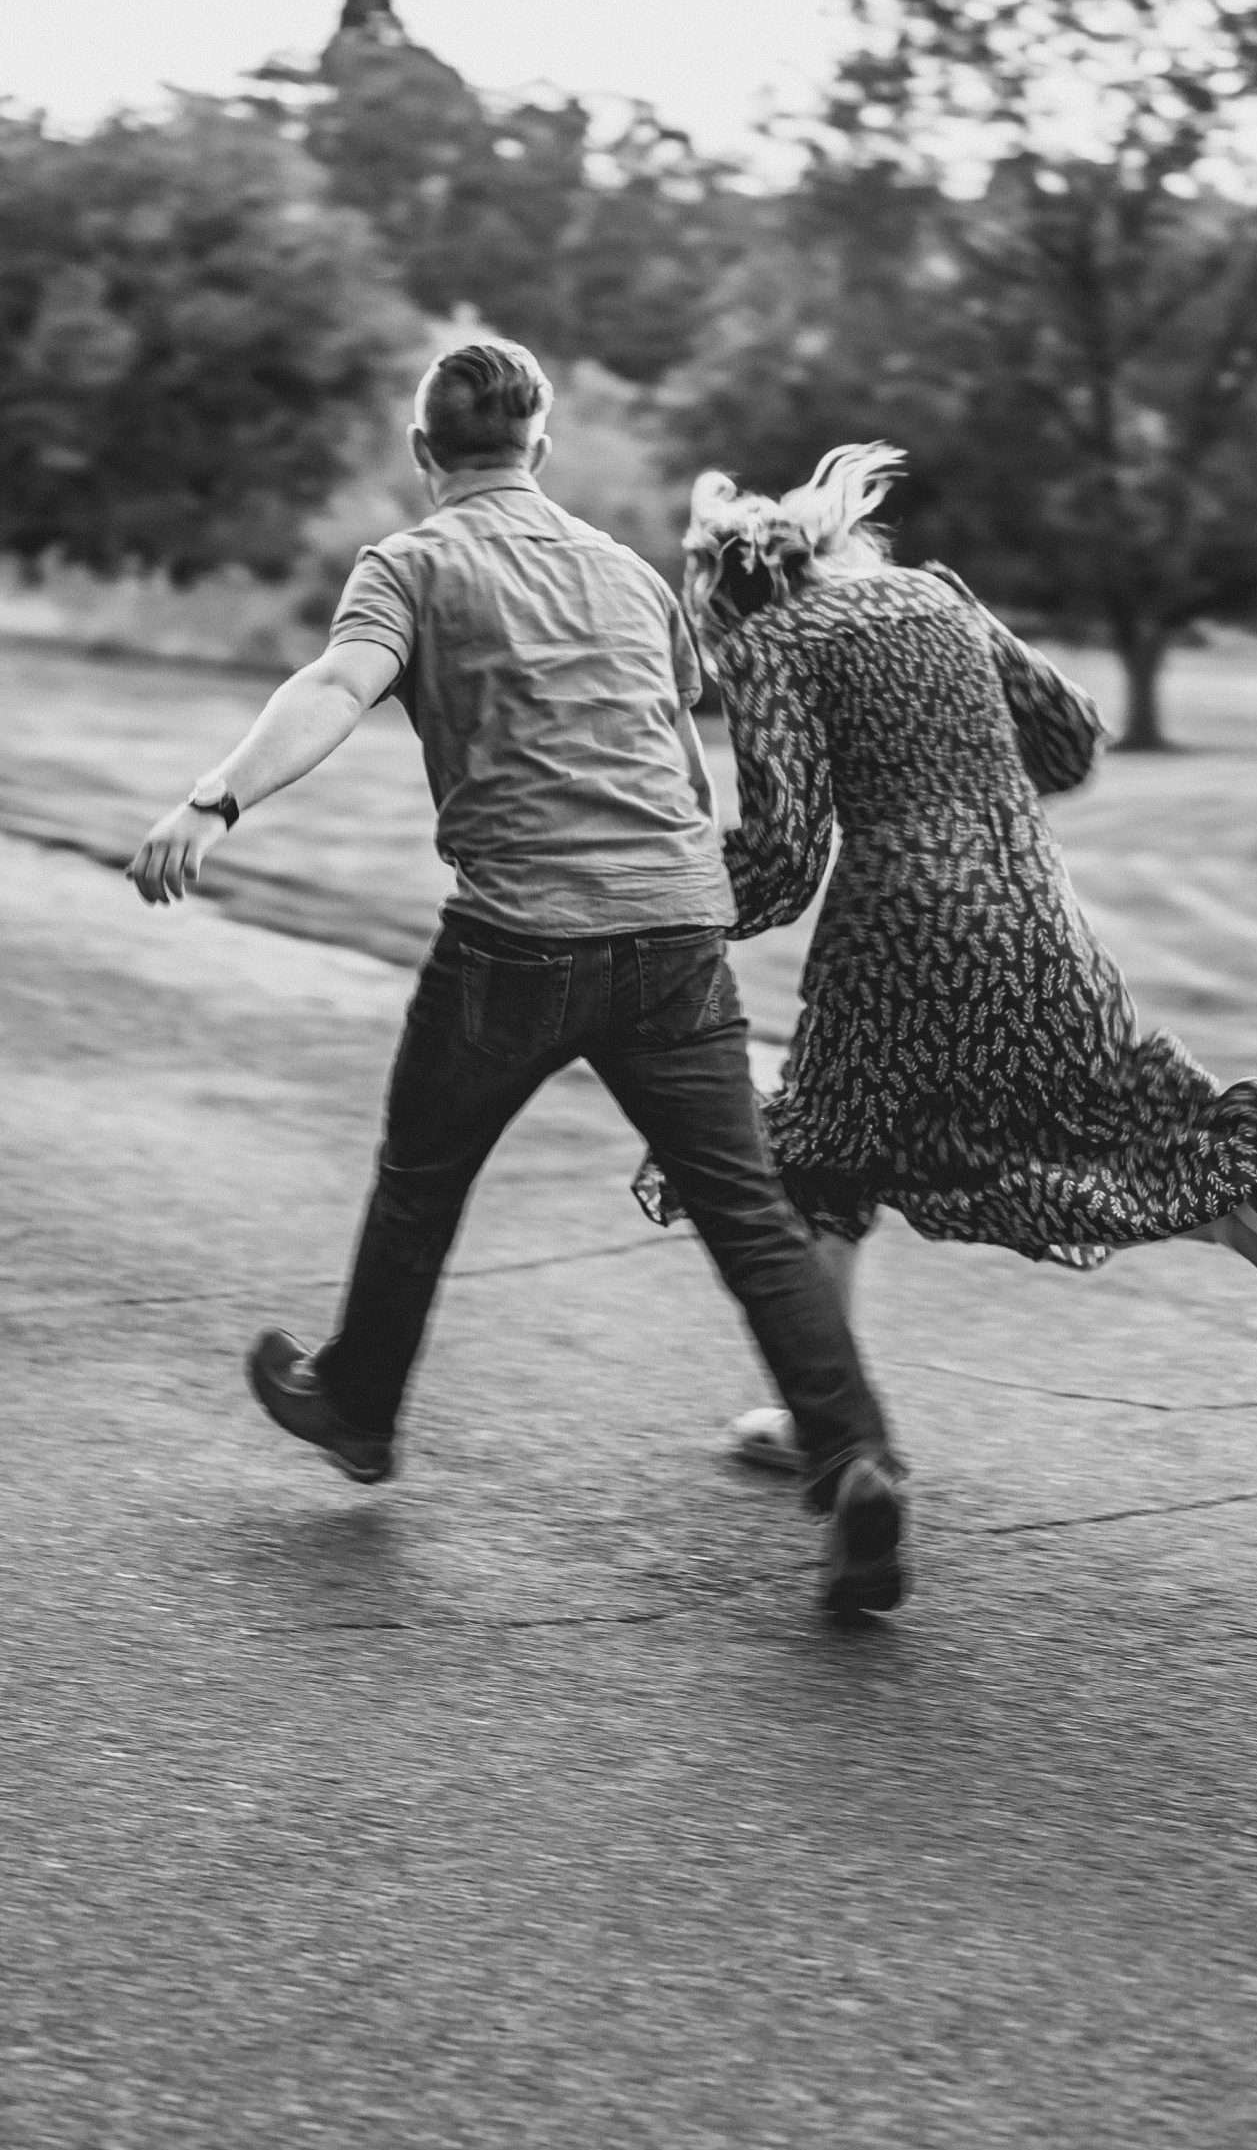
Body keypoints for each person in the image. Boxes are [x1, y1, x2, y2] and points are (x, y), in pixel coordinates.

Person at [127, 342, 906, 1614]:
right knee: (753, 1219)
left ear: (425, 453)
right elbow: (670, 728)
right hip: (672, 931)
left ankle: (359, 1406)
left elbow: (337, 686)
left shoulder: (413, 563)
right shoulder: (628, 571)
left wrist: (215, 801)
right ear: (538, 449)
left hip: (520, 936)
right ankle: (856, 1454)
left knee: (421, 1176)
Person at [632, 443, 1257, 1476]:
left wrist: (677, 904)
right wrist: (972, 784)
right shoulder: (938, 597)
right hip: (1034, 907)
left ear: (724, 593)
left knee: (825, 1164)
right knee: (1087, 1130)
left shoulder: (772, 644)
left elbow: (788, 857)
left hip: (897, 930)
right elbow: (1067, 736)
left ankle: (821, 1424)